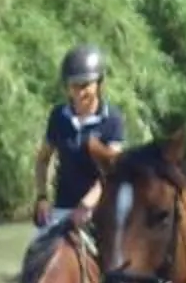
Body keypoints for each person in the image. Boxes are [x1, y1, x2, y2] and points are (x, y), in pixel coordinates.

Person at [31, 44, 126, 235]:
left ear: (98, 84)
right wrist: (42, 197)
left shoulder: (112, 119)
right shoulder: (58, 117)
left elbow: (112, 172)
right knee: (35, 255)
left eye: (85, 86)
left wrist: (86, 205)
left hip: (100, 210)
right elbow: (42, 160)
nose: (79, 93)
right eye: (74, 86)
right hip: (62, 210)